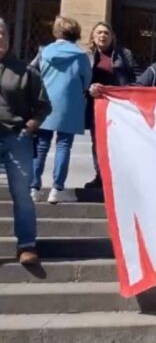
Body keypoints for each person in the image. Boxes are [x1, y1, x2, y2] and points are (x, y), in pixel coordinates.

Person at [0, 17, 51, 264]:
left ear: (9, 38)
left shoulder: (25, 71)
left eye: (3, 33)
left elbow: (44, 105)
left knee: (22, 193)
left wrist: (30, 126)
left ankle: (26, 245)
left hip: (16, 138)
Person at [31, 16, 91, 204]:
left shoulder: (45, 51)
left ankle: (34, 187)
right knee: (64, 146)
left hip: (45, 102)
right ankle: (56, 189)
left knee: (41, 146)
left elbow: (34, 73)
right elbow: (86, 81)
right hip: (70, 104)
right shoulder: (80, 55)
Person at [84, 21, 140, 189]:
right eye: (99, 33)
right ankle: (100, 176)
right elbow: (80, 80)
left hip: (118, 106)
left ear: (112, 37)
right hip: (96, 105)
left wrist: (130, 93)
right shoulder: (86, 56)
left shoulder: (124, 54)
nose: (103, 36)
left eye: (106, 33)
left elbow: (137, 76)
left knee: (118, 142)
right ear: (93, 37)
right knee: (98, 142)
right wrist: (89, 89)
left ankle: (118, 176)